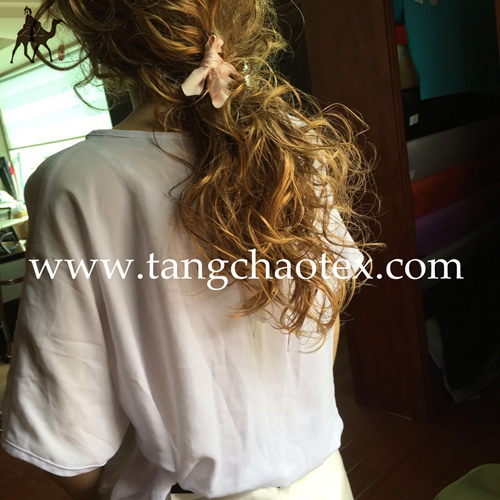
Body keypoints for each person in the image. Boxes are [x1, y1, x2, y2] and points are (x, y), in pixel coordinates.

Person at [0, 1, 374, 499]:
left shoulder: (78, 181)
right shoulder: (296, 144)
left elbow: (65, 432)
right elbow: (325, 311)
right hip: (325, 481)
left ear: (102, 36)